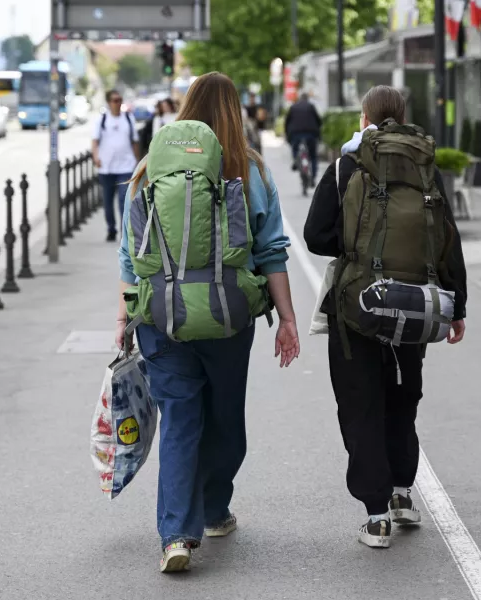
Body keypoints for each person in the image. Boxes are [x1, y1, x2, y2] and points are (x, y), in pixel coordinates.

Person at [117, 72, 300, 573]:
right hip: (227, 316)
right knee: (224, 419)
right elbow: (272, 252)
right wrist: (286, 319)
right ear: (235, 112)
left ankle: (176, 535)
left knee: (179, 419)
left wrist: (123, 318)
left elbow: (130, 256)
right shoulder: (250, 170)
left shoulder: (148, 169)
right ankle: (215, 511)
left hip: (161, 318)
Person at [303, 85, 467, 550]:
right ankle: (402, 495)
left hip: (357, 305)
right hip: (416, 303)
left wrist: (356, 250)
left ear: (364, 118)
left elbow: (315, 235)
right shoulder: (424, 167)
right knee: (402, 398)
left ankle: (376, 517)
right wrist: (458, 306)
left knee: (361, 407)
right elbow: (447, 241)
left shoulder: (346, 166)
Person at [92, 89, 139, 242]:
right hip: (107, 167)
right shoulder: (102, 120)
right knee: (107, 202)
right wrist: (96, 157)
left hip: (126, 166)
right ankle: (111, 228)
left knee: (123, 201)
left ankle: (123, 232)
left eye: (120, 100)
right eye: (115, 100)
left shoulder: (128, 118)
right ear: (109, 102)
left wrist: (137, 161)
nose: (118, 103)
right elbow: (95, 141)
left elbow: (134, 141)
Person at [285, 92, 322, 185]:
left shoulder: (293, 107)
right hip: (311, 134)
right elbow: (318, 120)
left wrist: (287, 134)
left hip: (295, 134)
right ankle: (313, 178)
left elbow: (287, 122)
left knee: (294, 149)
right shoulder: (311, 106)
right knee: (313, 156)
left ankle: (296, 161)